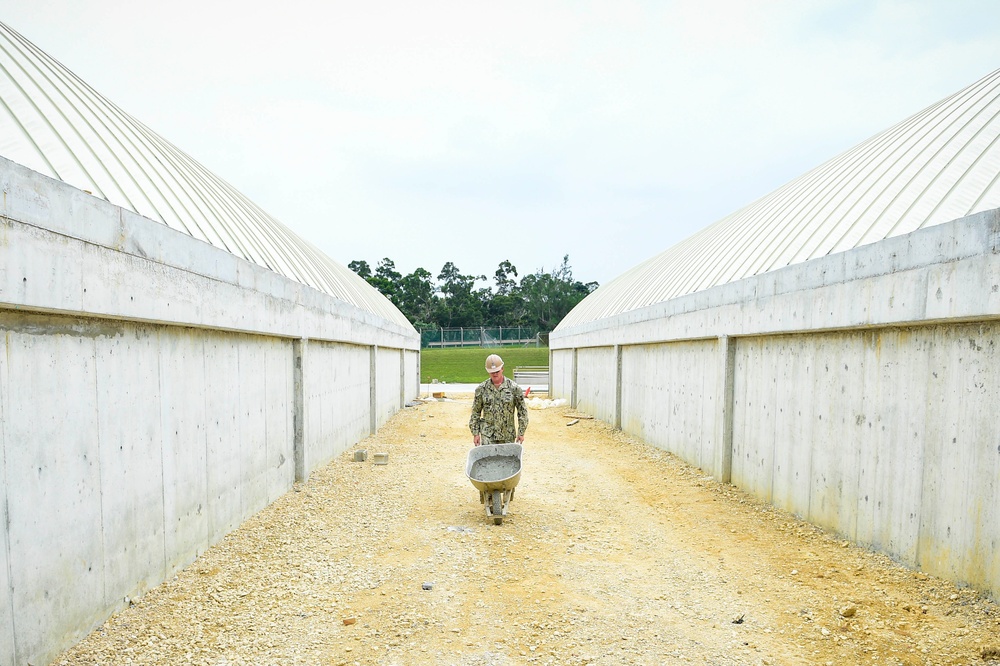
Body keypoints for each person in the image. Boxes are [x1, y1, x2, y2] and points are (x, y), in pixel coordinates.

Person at [469, 353, 528, 446]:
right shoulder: (481, 389)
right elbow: (475, 412)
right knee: (488, 459)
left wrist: (521, 432)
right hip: (488, 435)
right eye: (492, 372)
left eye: (497, 371)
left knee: (507, 460)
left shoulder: (514, 388)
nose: (495, 374)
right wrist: (475, 433)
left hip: (507, 435)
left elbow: (522, 411)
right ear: (488, 371)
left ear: (502, 369)